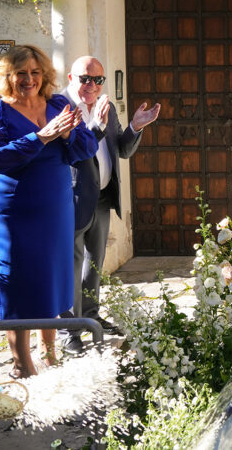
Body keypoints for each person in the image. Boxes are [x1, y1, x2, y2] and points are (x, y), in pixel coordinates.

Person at [0, 45, 96, 378]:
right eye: (21, 73)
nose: (29, 79)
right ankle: (21, 363)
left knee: (52, 277)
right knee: (19, 282)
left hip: (56, 205)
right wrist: (40, 137)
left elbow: (87, 148)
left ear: (44, 75)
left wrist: (68, 133)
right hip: (15, 210)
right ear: (7, 77)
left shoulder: (59, 104)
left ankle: (50, 351)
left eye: (35, 72)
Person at [60, 56, 160, 355]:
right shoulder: (59, 107)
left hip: (102, 196)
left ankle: (91, 317)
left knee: (94, 263)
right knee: (72, 265)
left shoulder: (107, 106)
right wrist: (96, 125)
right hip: (72, 199)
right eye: (85, 79)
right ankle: (70, 331)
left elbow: (123, 150)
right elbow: (74, 152)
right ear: (70, 77)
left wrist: (134, 127)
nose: (92, 85)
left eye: (98, 79)